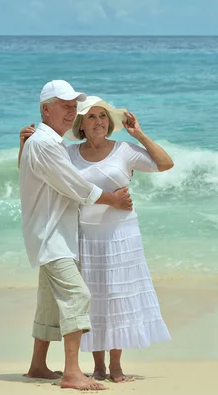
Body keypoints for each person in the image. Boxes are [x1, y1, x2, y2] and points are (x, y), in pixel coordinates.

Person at [20, 95, 174, 383]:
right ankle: (98, 366)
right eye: (91, 117)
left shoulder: (125, 150)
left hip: (121, 235)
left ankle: (115, 367)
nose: (98, 122)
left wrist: (138, 133)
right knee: (95, 300)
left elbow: (165, 164)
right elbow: (38, 175)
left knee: (117, 298)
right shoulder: (68, 153)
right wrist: (24, 146)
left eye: (103, 116)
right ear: (81, 124)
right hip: (85, 235)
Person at [18, 80, 133, 391]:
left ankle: (38, 365)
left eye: (73, 107)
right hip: (51, 233)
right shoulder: (44, 144)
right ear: (46, 109)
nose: (72, 112)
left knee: (49, 302)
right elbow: (76, 186)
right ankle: (71, 373)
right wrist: (114, 200)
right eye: (64, 106)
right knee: (77, 296)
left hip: (51, 232)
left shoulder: (45, 143)